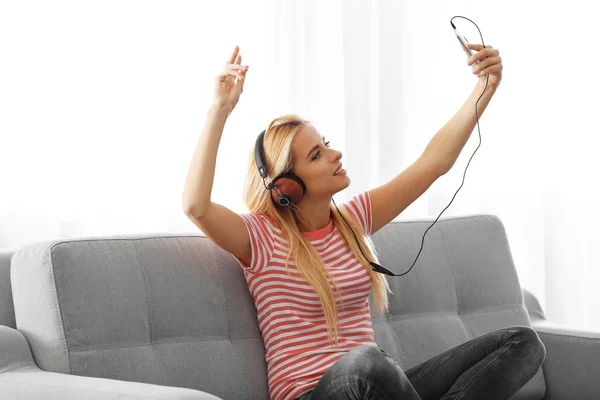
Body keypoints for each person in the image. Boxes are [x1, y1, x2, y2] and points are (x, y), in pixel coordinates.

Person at [182, 46, 546, 400]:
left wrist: (485, 88)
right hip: (319, 391)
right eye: (317, 155)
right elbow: (196, 207)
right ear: (287, 186)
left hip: (375, 386)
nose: (335, 153)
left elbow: (433, 162)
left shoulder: (352, 221)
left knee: (523, 343)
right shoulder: (261, 238)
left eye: (325, 144)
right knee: (365, 363)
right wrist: (219, 110)